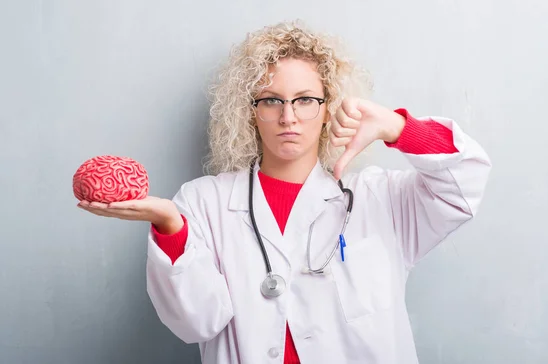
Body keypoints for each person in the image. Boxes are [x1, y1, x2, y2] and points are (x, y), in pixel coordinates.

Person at [78, 20, 491, 364]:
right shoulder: (203, 203)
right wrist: (170, 226)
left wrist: (400, 129)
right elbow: (196, 323)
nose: (288, 116)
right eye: (271, 100)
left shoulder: (380, 198)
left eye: (305, 100)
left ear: (328, 107)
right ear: (250, 110)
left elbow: (463, 182)